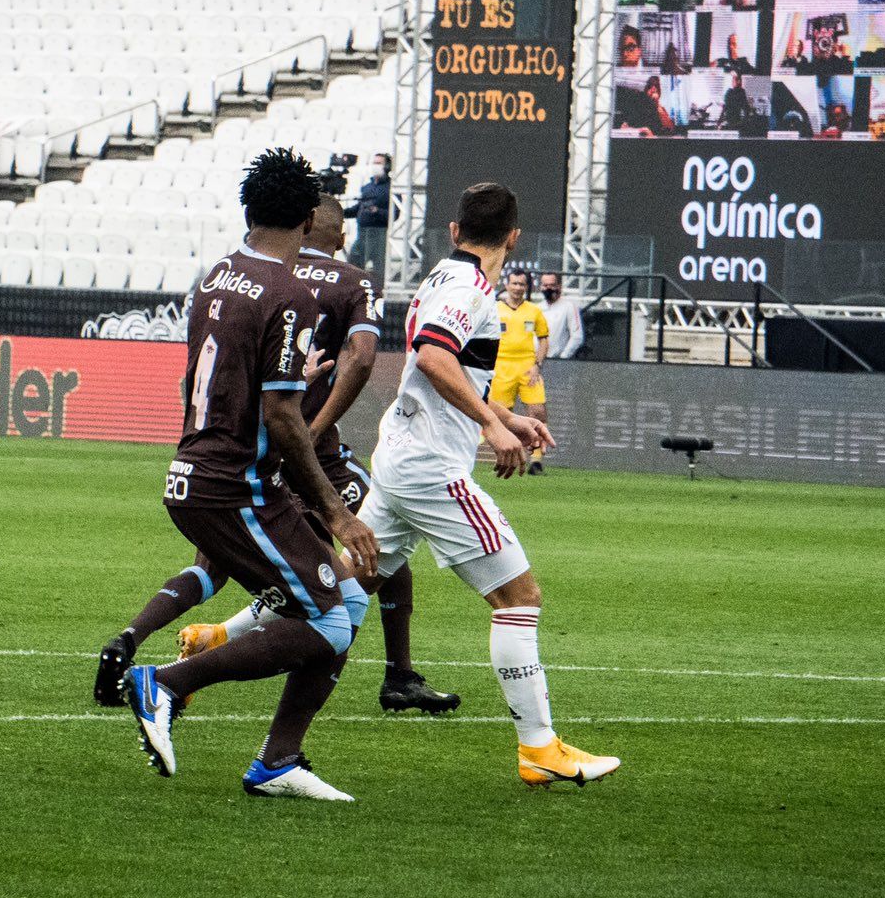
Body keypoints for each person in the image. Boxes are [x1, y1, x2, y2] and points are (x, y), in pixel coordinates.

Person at [93, 149, 380, 802]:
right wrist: (336, 512)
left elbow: (202, 378)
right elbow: (283, 419)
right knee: (332, 623)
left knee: (346, 600)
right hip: (238, 487)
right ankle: (164, 684)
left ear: (249, 210)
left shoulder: (215, 276)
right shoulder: (289, 295)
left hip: (192, 471)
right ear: (310, 218)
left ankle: (279, 760)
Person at [358, 183, 619, 788]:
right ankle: (539, 748)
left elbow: (436, 362)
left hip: (404, 456)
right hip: (429, 468)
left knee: (343, 586)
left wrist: (505, 419)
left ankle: (207, 648)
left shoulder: (443, 278)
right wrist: (492, 426)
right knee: (519, 598)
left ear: (453, 231)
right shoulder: (468, 287)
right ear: (514, 239)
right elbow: (430, 357)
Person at [172, 196, 460, 716]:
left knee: (303, 566)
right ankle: (391, 676)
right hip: (310, 452)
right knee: (360, 559)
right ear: (341, 234)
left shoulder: (241, 275)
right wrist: (316, 426)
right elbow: (363, 356)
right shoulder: (353, 280)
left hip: (240, 454)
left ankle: (213, 645)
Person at [489, 270, 551, 476]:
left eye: (521, 284)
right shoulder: (494, 309)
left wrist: (537, 364)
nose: (517, 288)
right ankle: (505, 459)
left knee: (538, 412)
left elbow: (543, 338)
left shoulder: (534, 311)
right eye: (514, 283)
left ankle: (536, 459)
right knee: (501, 417)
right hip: (501, 367)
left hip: (527, 368)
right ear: (506, 285)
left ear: (526, 288)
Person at [345, 153, 389, 276]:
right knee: (353, 261)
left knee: (377, 268)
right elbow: (359, 207)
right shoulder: (367, 187)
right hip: (362, 233)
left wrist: (377, 211)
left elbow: (394, 215)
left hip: (378, 234)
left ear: (387, 166)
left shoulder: (390, 188)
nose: (376, 166)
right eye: (374, 163)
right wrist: (343, 212)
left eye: (379, 163)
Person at [538, 272, 585, 360]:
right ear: (541, 287)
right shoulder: (537, 308)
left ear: (559, 286)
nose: (548, 288)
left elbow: (577, 336)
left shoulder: (569, 306)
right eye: (545, 285)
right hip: (536, 361)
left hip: (558, 361)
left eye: (552, 285)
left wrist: (563, 357)